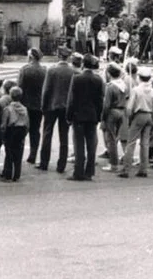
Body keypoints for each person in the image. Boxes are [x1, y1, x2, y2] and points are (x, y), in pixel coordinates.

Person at [66, 53, 105, 181]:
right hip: (92, 115)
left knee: (79, 145)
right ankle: (89, 171)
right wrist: (99, 116)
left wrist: (69, 115)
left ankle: (78, 172)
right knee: (91, 145)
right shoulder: (98, 79)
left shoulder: (77, 78)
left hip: (78, 115)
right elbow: (100, 101)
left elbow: (71, 99)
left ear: (83, 64)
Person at [38, 46, 75, 172]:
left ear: (58, 56)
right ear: (68, 57)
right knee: (64, 136)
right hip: (66, 107)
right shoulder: (73, 72)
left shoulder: (52, 70)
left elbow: (46, 90)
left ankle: (44, 162)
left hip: (51, 106)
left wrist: (43, 106)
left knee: (47, 134)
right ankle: (61, 164)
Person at [121, 66, 153, 178]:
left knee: (131, 142)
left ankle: (126, 169)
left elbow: (129, 107)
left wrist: (129, 117)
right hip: (149, 115)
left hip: (138, 115)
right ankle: (143, 169)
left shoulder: (136, 90)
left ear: (140, 77)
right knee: (145, 144)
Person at [18, 48, 47, 164]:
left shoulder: (25, 70)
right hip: (38, 105)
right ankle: (33, 154)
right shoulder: (44, 70)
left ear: (31, 57)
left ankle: (19, 154)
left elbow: (19, 87)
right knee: (35, 130)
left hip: (25, 104)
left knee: (22, 130)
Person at [101, 62, 129, 172]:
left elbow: (106, 105)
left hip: (112, 112)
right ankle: (117, 160)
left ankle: (113, 164)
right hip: (121, 111)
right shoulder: (123, 85)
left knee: (111, 139)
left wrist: (103, 118)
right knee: (116, 137)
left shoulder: (110, 87)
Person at [0, 86, 29, 182]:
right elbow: (27, 123)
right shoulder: (24, 109)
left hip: (11, 131)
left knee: (9, 153)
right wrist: (25, 133)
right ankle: (17, 174)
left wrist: (3, 135)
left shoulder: (8, 109)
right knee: (18, 153)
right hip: (21, 131)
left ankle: (7, 173)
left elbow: (4, 124)